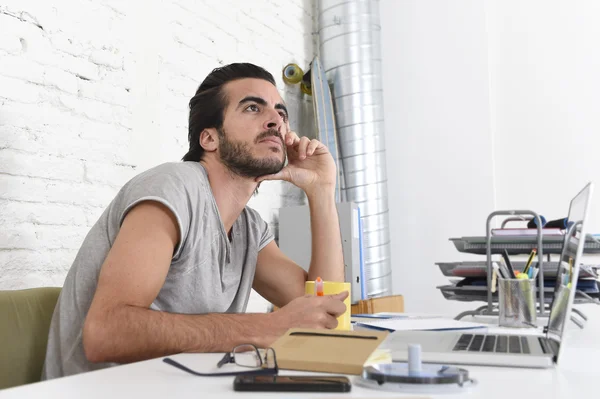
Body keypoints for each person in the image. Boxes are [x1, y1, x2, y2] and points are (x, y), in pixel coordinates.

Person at [41, 63, 347, 380]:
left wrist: (320, 190)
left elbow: (324, 311)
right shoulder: (173, 187)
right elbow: (105, 333)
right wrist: (269, 327)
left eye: (281, 113)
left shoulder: (249, 229)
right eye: (253, 107)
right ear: (209, 138)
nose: (275, 122)